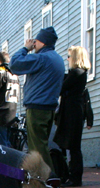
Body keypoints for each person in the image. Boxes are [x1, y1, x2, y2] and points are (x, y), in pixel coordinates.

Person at [9, 26, 65, 171]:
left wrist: (25, 48)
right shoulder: (57, 59)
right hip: (49, 107)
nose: (34, 44)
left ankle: (47, 178)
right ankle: (46, 177)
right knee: (42, 145)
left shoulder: (42, 58)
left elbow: (14, 64)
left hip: (37, 107)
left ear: (43, 42)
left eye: (36, 41)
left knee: (37, 149)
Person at [54, 46, 93, 187]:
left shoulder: (77, 73)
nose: (68, 59)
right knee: (69, 145)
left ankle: (74, 177)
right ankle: (69, 174)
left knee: (73, 146)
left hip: (72, 112)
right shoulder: (77, 73)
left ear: (75, 58)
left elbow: (61, 88)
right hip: (71, 111)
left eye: (69, 56)